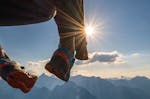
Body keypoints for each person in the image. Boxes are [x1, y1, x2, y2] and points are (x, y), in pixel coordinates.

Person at [0, 0, 88, 93]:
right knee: (53, 7)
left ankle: (4, 63)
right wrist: (81, 45)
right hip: (34, 8)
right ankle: (66, 50)